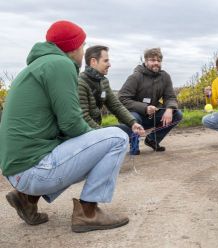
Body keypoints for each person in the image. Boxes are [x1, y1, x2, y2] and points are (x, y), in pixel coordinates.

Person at [0, 20, 130, 232]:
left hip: (18, 170)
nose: (83, 51)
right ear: (73, 47)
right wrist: (99, 140)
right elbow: (71, 124)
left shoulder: (37, 66)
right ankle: (88, 212)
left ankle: (27, 200)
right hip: (32, 171)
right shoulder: (60, 65)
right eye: (82, 45)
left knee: (81, 145)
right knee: (117, 137)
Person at [78, 45, 145, 154]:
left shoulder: (103, 81)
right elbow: (83, 118)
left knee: (128, 129)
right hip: (85, 132)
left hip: (97, 129)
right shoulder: (81, 83)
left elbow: (116, 106)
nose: (109, 64)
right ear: (94, 61)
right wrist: (104, 134)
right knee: (115, 135)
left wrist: (132, 123)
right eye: (106, 61)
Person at [119, 48, 182, 153]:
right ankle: (134, 145)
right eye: (152, 60)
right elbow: (122, 98)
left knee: (177, 114)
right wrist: (145, 108)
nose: (156, 63)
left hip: (152, 114)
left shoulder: (165, 77)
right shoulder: (135, 77)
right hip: (134, 114)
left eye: (158, 60)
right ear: (146, 61)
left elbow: (170, 97)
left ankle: (152, 139)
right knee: (134, 117)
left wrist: (170, 109)